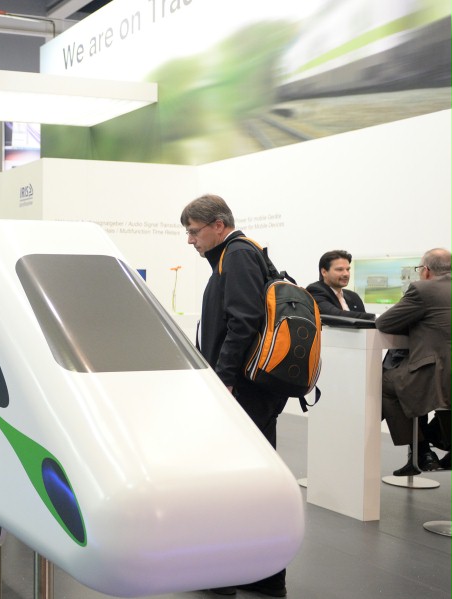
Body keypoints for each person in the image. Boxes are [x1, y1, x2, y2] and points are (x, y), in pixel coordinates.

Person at [180, 194, 288, 598]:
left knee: (233, 480)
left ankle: (230, 571)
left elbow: (242, 321)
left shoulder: (238, 255)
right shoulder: (240, 253)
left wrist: (223, 380)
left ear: (218, 225)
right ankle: (258, 572)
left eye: (194, 231)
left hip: (243, 389)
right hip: (253, 388)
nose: (190, 240)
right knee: (251, 479)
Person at [377, 248, 452, 473]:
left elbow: (384, 323)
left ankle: (420, 450)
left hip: (437, 372)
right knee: (414, 383)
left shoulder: (422, 289)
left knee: (386, 384)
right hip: (444, 375)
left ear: (426, 270)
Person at [305, 250, 374, 320]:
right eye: (340, 269)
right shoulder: (315, 290)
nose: (346, 274)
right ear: (324, 272)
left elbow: (366, 322)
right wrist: (375, 317)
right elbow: (335, 315)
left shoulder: (353, 296)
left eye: (348, 269)